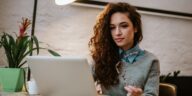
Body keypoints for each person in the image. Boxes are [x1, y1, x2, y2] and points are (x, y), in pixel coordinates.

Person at [88, 2, 160, 96]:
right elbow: (80, 83)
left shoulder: (151, 61)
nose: (117, 32)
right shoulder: (101, 57)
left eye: (124, 26)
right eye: (112, 28)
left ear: (135, 28)